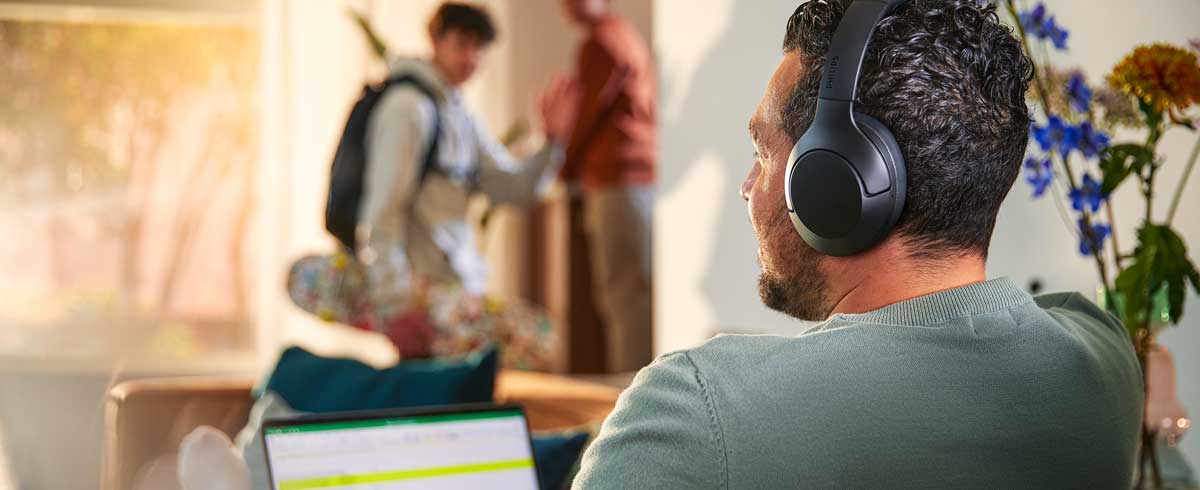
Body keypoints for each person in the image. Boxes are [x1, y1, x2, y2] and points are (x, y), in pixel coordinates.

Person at [572, 1, 1142, 488]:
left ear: (837, 184)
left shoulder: (691, 411)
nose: (748, 188)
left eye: (765, 153)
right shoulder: (1103, 362)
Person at [355, 3, 578, 364]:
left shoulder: (459, 114)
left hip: (455, 289)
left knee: (533, 341)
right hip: (418, 292)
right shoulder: (409, 108)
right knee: (532, 340)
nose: (471, 57)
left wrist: (552, 143)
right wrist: (397, 304)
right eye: (461, 43)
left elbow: (514, 188)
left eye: (480, 48)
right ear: (435, 40)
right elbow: (383, 209)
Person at [559, 0, 657, 373]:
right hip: (630, 179)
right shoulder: (623, 35)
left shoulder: (601, 42)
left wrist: (561, 163)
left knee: (623, 294)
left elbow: (584, 115)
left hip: (617, 177)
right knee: (631, 291)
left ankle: (628, 389)